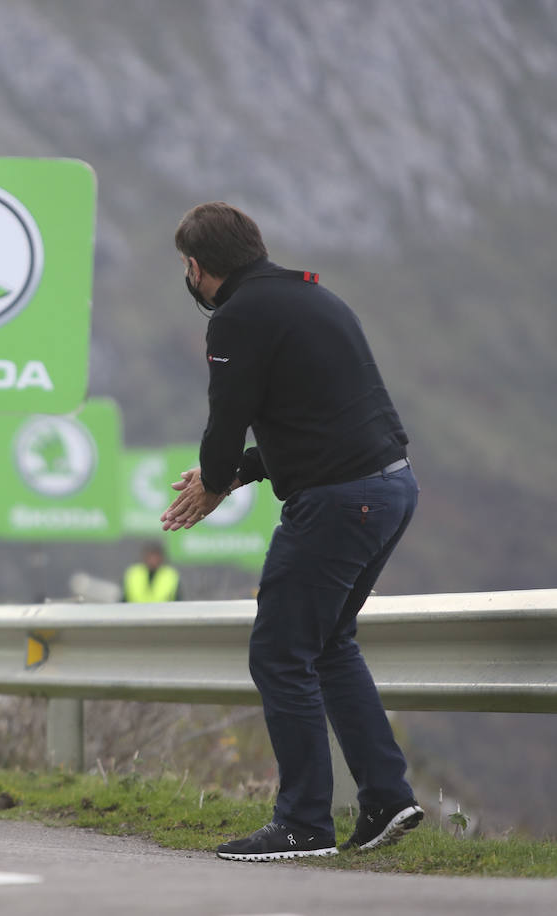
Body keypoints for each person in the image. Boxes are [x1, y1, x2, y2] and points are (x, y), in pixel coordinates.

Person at [161, 202, 423, 862]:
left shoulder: (237, 316)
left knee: (279, 652)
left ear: (198, 268)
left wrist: (215, 481)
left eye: (186, 269)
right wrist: (239, 475)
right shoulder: (315, 297)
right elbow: (312, 419)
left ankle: (304, 821)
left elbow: (229, 419)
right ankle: (387, 799)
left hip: (339, 501)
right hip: (389, 485)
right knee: (329, 643)